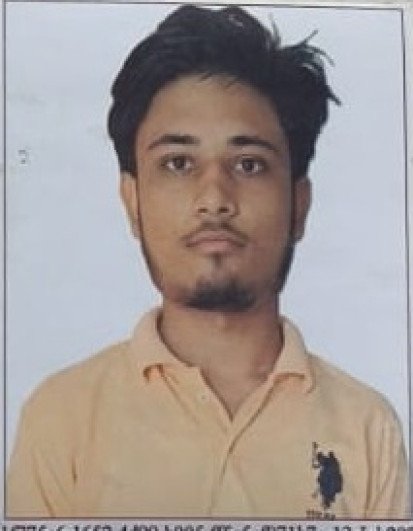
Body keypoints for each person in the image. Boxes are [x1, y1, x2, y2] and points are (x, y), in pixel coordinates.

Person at [7, 4, 410, 519]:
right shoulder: (61, 419)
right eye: (178, 163)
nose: (215, 199)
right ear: (132, 202)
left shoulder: (367, 428)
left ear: (299, 205)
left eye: (249, 164)